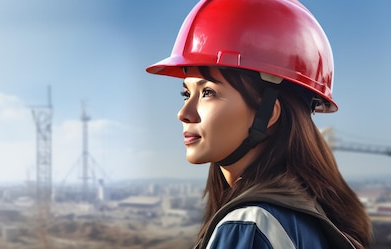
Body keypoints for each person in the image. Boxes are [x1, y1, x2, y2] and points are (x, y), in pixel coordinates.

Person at [145, 0, 372, 248]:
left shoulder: (250, 226)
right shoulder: (308, 218)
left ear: (268, 113)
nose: (184, 113)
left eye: (208, 92)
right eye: (186, 94)